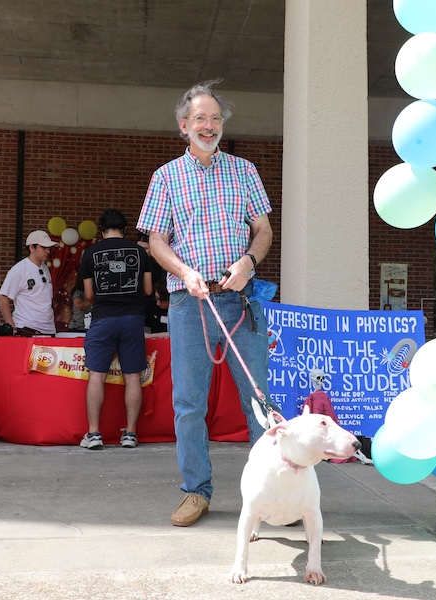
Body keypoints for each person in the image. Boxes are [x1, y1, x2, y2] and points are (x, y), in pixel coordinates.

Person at [137, 80, 273, 527]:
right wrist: (183, 272)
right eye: (199, 118)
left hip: (239, 301)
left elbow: (264, 231)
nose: (208, 125)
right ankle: (196, 491)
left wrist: (248, 263)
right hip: (187, 304)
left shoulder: (245, 170)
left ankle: (268, 495)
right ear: (184, 125)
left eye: (215, 118)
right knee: (189, 404)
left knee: (258, 399)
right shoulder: (165, 177)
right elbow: (156, 241)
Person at [78, 209, 152, 450]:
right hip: (132, 318)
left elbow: (88, 295)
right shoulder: (140, 252)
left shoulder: (90, 253)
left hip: (103, 319)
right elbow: (148, 291)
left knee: (96, 375)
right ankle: (130, 434)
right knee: (132, 377)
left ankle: (94, 434)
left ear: (101, 231)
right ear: (125, 229)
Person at [0, 230, 58, 336]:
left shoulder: (45, 268)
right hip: (26, 328)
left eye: (49, 248)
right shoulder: (19, 269)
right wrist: (12, 327)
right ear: (32, 248)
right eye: (43, 247)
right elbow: (3, 297)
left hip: (48, 329)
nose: (48, 251)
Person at [137, 232, 169, 334]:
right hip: (147, 303)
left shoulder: (160, 263)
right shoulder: (134, 262)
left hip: (162, 294)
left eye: (145, 249)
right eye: (139, 248)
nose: (143, 252)